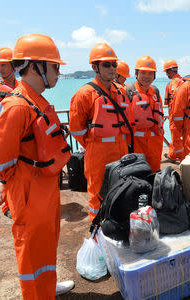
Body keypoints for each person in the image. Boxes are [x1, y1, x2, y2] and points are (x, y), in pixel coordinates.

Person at [0, 34, 74, 298]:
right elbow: (1, 158)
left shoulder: (35, 100)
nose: (58, 73)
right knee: (30, 254)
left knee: (46, 246)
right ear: (36, 66)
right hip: (29, 195)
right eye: (55, 67)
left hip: (44, 190)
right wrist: (6, 183)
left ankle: (47, 288)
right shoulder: (17, 106)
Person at [69, 43, 130, 221]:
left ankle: (117, 227)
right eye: (106, 64)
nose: (112, 68)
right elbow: (76, 129)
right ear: (95, 67)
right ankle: (98, 231)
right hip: (98, 155)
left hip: (121, 151)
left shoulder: (119, 91)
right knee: (98, 197)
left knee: (121, 192)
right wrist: (95, 144)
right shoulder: (84, 94)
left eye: (114, 64)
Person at [0, 47, 20, 218]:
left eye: (4, 65)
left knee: (15, 173)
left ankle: (14, 202)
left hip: (15, 136)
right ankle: (6, 207)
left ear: (13, 65)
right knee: (2, 174)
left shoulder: (19, 86)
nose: (1, 69)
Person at [127, 55, 164, 172]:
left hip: (155, 147)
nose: (147, 76)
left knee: (154, 177)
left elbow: (160, 117)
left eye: (150, 73)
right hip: (136, 146)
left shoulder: (155, 93)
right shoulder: (128, 92)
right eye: (143, 73)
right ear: (136, 73)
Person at [163, 59, 184, 161]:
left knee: (176, 139)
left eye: (167, 72)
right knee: (178, 138)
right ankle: (172, 155)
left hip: (175, 117)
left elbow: (173, 101)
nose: (167, 74)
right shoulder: (183, 81)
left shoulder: (173, 83)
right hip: (183, 116)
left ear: (171, 71)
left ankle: (181, 158)